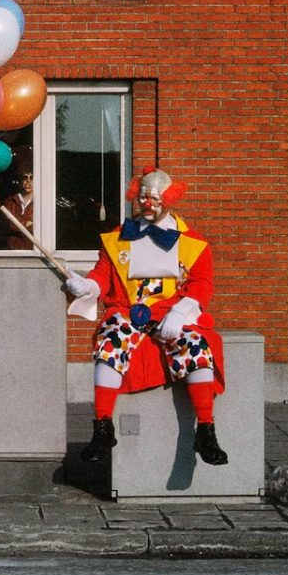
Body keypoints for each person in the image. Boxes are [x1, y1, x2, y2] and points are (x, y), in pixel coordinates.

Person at [64, 167, 228, 465]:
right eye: (143, 198)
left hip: (171, 313)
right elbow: (104, 274)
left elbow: (202, 283)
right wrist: (87, 285)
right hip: (127, 312)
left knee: (196, 347)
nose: (148, 204)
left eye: (154, 198)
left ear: (169, 199)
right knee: (109, 343)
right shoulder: (117, 237)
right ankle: (102, 428)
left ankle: (206, 430)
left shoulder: (191, 241)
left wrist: (181, 311)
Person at [0, 169, 34, 249]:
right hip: (12, 249)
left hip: (33, 251)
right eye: (25, 178)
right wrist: (27, 223)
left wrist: (18, 223)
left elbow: (40, 230)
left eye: (32, 178)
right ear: (20, 181)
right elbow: (6, 224)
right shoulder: (10, 201)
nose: (28, 181)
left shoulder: (42, 202)